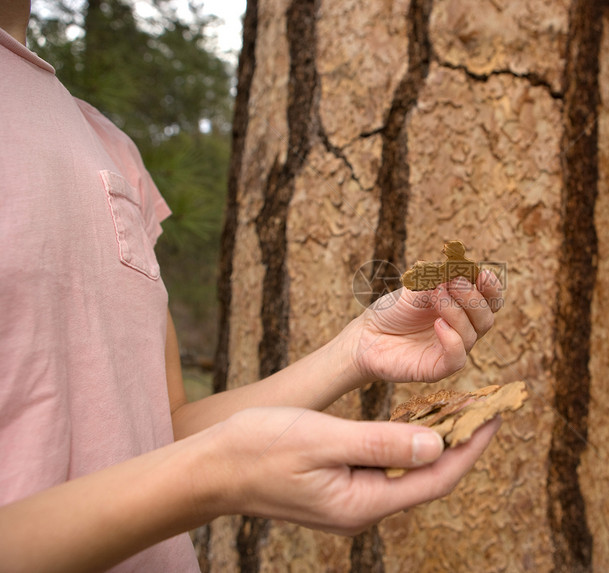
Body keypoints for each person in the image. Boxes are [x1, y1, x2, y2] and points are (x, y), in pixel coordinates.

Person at [0, 2, 504, 571]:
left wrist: (357, 349)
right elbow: (193, 467)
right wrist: (216, 475)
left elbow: (161, 437)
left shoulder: (108, 145)